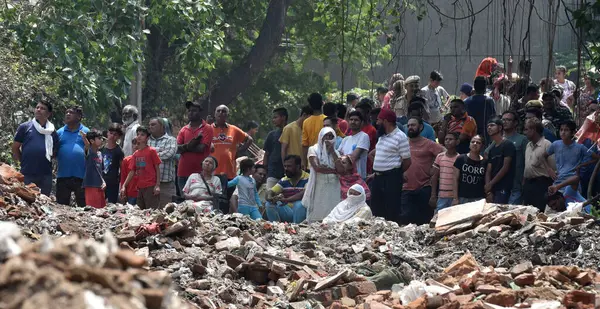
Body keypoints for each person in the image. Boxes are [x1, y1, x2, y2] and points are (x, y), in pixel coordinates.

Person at [370, 109, 411, 223]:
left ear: (386, 121)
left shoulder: (400, 137)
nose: (376, 123)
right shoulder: (382, 136)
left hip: (391, 178)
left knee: (391, 209)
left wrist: (396, 173)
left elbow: (407, 161)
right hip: (378, 177)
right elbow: (375, 154)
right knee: (377, 208)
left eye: (379, 120)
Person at [401, 117, 444, 225]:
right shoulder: (402, 143)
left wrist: (436, 166)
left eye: (413, 125)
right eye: (408, 125)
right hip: (405, 188)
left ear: (420, 127)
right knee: (405, 222)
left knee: (424, 222)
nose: (410, 127)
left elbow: (445, 152)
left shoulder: (429, 143)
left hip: (424, 187)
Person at [12, 100, 59, 196]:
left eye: (42, 108)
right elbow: (15, 147)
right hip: (27, 173)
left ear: (49, 113)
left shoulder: (52, 131)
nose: (38, 110)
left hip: (45, 174)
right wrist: (23, 160)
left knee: (45, 201)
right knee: (27, 200)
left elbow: (55, 151)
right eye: (37, 107)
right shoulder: (25, 127)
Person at [212, 104, 253, 198]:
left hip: (229, 172)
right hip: (212, 172)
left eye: (223, 111)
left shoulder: (233, 129)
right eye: (218, 111)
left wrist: (239, 151)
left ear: (227, 115)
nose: (220, 113)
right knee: (213, 199)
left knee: (228, 199)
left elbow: (249, 139)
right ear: (214, 114)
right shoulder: (209, 129)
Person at [302, 127, 341, 222]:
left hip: (334, 187)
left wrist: (332, 152)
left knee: (332, 214)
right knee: (317, 213)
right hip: (319, 185)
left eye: (331, 136)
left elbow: (340, 169)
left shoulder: (336, 153)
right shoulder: (313, 149)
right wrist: (333, 170)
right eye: (326, 136)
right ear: (321, 137)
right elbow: (317, 168)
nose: (328, 138)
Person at [177, 101, 214, 195]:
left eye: (194, 110)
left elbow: (201, 148)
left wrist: (185, 147)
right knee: (184, 204)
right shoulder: (183, 129)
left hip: (200, 173)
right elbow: (177, 149)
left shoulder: (207, 128)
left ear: (200, 112)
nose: (190, 113)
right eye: (189, 111)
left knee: (199, 203)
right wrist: (192, 144)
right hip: (183, 172)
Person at [121, 126, 162, 209]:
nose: (139, 136)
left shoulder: (151, 151)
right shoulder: (136, 154)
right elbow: (132, 171)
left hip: (150, 186)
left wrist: (157, 185)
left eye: (142, 135)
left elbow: (157, 168)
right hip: (140, 187)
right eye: (138, 134)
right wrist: (124, 186)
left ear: (147, 138)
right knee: (140, 211)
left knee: (151, 212)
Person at [56, 106, 89, 207]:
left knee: (84, 207)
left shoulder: (86, 131)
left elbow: (93, 152)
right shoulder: (59, 132)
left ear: (79, 117)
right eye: (66, 112)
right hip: (63, 175)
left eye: (71, 112)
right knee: (62, 207)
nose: (68, 114)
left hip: (81, 176)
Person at [544, 120, 588, 195]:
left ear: (573, 132)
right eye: (561, 130)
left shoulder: (580, 147)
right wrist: (549, 169)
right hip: (559, 180)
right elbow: (543, 156)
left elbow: (596, 158)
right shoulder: (556, 144)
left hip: (573, 182)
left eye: (566, 130)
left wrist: (581, 165)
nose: (563, 132)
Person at [523, 119, 555, 211]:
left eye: (526, 129)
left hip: (541, 184)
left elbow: (553, 169)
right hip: (529, 185)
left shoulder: (547, 145)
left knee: (539, 212)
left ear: (534, 130)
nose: (525, 132)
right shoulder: (528, 145)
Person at [266, 155, 309, 223]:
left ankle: (297, 229)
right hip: (288, 212)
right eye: (285, 166)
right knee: (269, 204)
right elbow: (271, 191)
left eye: (289, 166)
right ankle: (276, 228)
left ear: (298, 166)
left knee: (299, 204)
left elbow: (304, 193)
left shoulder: (308, 178)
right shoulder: (284, 180)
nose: (286, 168)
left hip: (303, 214)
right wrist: (270, 197)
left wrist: (286, 200)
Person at [484, 118, 516, 204]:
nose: (489, 128)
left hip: (503, 187)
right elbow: (488, 170)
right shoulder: (492, 149)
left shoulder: (507, 144)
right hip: (492, 189)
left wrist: (491, 184)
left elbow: (505, 167)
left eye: (492, 125)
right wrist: (488, 188)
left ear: (500, 128)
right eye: (488, 126)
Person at [499, 111, 528, 204]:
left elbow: (527, 160)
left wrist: (524, 180)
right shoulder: (497, 139)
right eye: (503, 120)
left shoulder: (522, 139)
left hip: (516, 184)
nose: (505, 122)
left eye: (508, 120)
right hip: (500, 184)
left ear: (515, 123)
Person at [148, 117, 177, 207]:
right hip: (149, 183)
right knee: (150, 212)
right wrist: (160, 150)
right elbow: (143, 156)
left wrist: (151, 154)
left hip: (166, 183)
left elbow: (169, 154)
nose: (150, 127)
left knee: (167, 210)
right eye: (149, 125)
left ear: (162, 126)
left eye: (153, 124)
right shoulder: (147, 140)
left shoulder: (171, 140)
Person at [453, 135, 487, 204]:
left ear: (482, 146)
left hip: (479, 198)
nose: (475, 144)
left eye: (478, 143)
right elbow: (455, 179)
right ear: (469, 145)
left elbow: (486, 181)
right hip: (463, 198)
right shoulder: (461, 158)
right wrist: (455, 198)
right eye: (473, 142)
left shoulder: (485, 162)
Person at [431, 132, 459, 211]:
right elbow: (434, 176)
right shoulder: (440, 157)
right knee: (438, 218)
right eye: (446, 139)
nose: (447, 141)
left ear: (457, 142)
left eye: (450, 139)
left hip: (454, 196)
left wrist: (456, 198)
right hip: (441, 196)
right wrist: (433, 195)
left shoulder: (460, 158)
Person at [338, 111, 370, 179]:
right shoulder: (345, 139)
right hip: (344, 177)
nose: (353, 122)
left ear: (362, 123)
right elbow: (338, 156)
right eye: (351, 119)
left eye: (356, 120)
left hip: (357, 178)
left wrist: (342, 158)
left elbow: (353, 157)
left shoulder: (364, 136)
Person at [465, 76, 496, 146]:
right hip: (485, 134)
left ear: (474, 87)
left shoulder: (466, 101)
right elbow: (493, 118)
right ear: (485, 87)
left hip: (469, 133)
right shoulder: (489, 101)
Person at [264, 108, 287, 191]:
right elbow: (266, 154)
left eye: (275, 117)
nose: (273, 120)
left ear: (283, 117)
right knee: (269, 196)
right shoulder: (272, 134)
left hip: (288, 172)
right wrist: (265, 170)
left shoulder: (291, 132)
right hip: (273, 172)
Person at [81, 130, 106, 209]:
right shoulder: (89, 152)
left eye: (102, 138)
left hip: (100, 186)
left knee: (101, 209)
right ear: (92, 141)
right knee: (92, 210)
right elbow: (87, 145)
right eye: (99, 138)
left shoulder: (100, 154)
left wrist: (103, 181)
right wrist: (85, 138)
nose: (102, 140)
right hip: (91, 185)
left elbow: (100, 171)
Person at [101, 123, 124, 203]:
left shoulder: (119, 151)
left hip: (113, 182)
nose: (112, 136)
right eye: (111, 133)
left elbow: (122, 168)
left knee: (111, 204)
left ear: (118, 137)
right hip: (101, 181)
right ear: (107, 133)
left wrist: (121, 183)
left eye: (115, 134)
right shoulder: (102, 149)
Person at [302, 93, 326, 168]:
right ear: (322, 103)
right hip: (326, 161)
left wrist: (304, 163)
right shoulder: (327, 120)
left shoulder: (306, 122)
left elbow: (304, 145)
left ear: (310, 106)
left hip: (311, 161)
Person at [120, 138, 138, 205]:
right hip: (130, 192)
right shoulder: (126, 160)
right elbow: (123, 177)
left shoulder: (145, 159)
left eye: (138, 143)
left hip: (142, 192)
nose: (136, 146)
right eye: (134, 143)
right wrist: (123, 190)